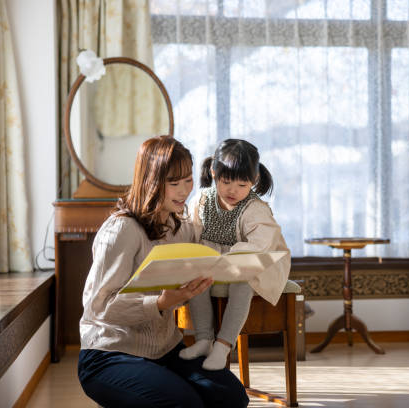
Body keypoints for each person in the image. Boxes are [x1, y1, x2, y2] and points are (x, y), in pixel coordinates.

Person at [77, 136, 249, 408]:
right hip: (109, 353)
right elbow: (98, 308)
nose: (184, 191)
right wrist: (160, 303)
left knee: (232, 397)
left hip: (165, 349)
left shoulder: (181, 227)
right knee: (186, 404)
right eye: (174, 183)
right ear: (151, 181)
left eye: (188, 181)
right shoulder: (122, 230)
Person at [179, 138, 291, 370]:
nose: (232, 190)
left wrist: (228, 258)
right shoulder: (202, 201)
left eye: (242, 185)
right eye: (226, 181)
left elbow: (261, 244)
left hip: (252, 263)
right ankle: (203, 339)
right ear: (213, 173)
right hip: (212, 263)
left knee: (242, 282)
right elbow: (189, 232)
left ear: (254, 181)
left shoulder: (254, 209)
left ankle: (222, 345)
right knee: (196, 277)